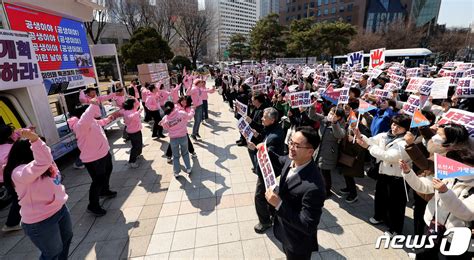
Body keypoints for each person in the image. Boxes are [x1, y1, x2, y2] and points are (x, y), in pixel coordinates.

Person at [3, 130, 73, 259]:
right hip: (41, 221)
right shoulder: (19, 172)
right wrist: (35, 140)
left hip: (60, 210)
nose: (46, 150)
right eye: (41, 147)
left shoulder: (41, 166)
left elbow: (50, 170)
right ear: (30, 152)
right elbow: (43, 161)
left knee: (66, 240)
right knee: (52, 253)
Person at [399, 149, 474, 260]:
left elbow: (467, 213)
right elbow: (423, 186)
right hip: (434, 223)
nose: (458, 168)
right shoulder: (447, 175)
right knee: (429, 248)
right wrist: (408, 173)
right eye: (456, 163)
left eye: (463, 165)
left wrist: (445, 192)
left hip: (457, 233)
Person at [264, 126, 325, 260]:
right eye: (291, 142)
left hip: (297, 242)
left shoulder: (314, 187)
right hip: (284, 231)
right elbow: (281, 160)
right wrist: (264, 151)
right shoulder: (292, 159)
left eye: (296, 145)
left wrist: (279, 204)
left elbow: (307, 225)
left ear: (310, 152)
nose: (291, 147)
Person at [354, 114, 412, 236]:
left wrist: (369, 147)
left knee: (395, 205)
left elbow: (389, 157)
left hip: (398, 177)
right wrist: (360, 135)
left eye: (399, 127)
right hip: (383, 172)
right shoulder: (385, 135)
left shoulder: (405, 143)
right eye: (394, 124)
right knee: (381, 197)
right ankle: (379, 216)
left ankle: (395, 229)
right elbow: (371, 140)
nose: (395, 128)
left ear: (405, 129)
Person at [68, 101, 117, 217]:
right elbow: (87, 115)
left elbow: (99, 122)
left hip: (103, 153)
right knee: (98, 180)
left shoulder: (91, 121)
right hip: (93, 158)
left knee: (108, 170)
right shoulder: (80, 125)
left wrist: (109, 119)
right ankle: (93, 205)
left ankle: (104, 190)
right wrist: (92, 104)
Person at [247, 107, 285, 233]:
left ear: (272, 120)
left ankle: (265, 222)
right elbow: (263, 138)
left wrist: (256, 148)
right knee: (270, 192)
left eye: (264, 117)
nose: (262, 119)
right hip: (266, 169)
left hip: (268, 170)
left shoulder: (275, 136)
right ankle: (273, 214)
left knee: (259, 197)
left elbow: (269, 153)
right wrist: (256, 135)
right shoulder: (271, 129)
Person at [308, 106, 347, 198]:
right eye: (330, 112)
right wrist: (312, 107)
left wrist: (334, 123)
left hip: (329, 151)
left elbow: (340, 135)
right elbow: (312, 116)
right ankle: (316, 187)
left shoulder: (341, 124)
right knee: (316, 169)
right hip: (319, 148)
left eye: (333, 114)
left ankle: (326, 191)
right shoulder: (324, 119)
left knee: (325, 172)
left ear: (339, 117)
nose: (330, 115)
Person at [159, 101, 195, 178]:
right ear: (173, 107)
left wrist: (162, 123)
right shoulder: (181, 113)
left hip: (173, 139)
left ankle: (176, 172)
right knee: (185, 153)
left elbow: (165, 127)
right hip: (183, 136)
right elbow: (189, 117)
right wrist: (192, 109)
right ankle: (188, 168)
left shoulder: (165, 118)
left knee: (175, 156)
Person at [0, 125, 21, 232]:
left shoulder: (4, 147)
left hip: (4, 179)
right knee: (18, 199)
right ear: (8, 136)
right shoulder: (10, 149)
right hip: (11, 178)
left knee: (17, 198)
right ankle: (11, 224)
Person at [165, 96, 197, 163]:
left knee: (186, 140)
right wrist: (192, 110)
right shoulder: (177, 108)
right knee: (173, 143)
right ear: (180, 101)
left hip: (182, 129)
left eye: (185, 101)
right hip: (175, 130)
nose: (184, 102)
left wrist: (191, 109)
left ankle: (192, 152)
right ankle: (169, 156)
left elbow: (188, 116)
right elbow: (167, 116)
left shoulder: (187, 107)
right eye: (183, 101)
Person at [121, 98, 143, 169]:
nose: (135, 104)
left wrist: (134, 99)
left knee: (139, 144)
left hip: (137, 130)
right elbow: (130, 117)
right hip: (133, 131)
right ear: (131, 104)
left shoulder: (132, 109)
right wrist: (138, 112)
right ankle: (131, 161)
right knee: (135, 146)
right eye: (134, 103)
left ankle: (137, 154)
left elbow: (138, 104)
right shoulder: (128, 112)